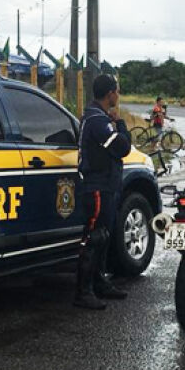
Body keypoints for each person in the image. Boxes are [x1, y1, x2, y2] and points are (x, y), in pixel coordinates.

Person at [74, 74, 132, 310]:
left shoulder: (97, 117)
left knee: (104, 235)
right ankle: (83, 292)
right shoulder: (98, 121)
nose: (118, 95)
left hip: (106, 185)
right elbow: (123, 147)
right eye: (117, 91)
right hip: (97, 186)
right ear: (110, 94)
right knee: (94, 237)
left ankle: (100, 282)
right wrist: (120, 124)